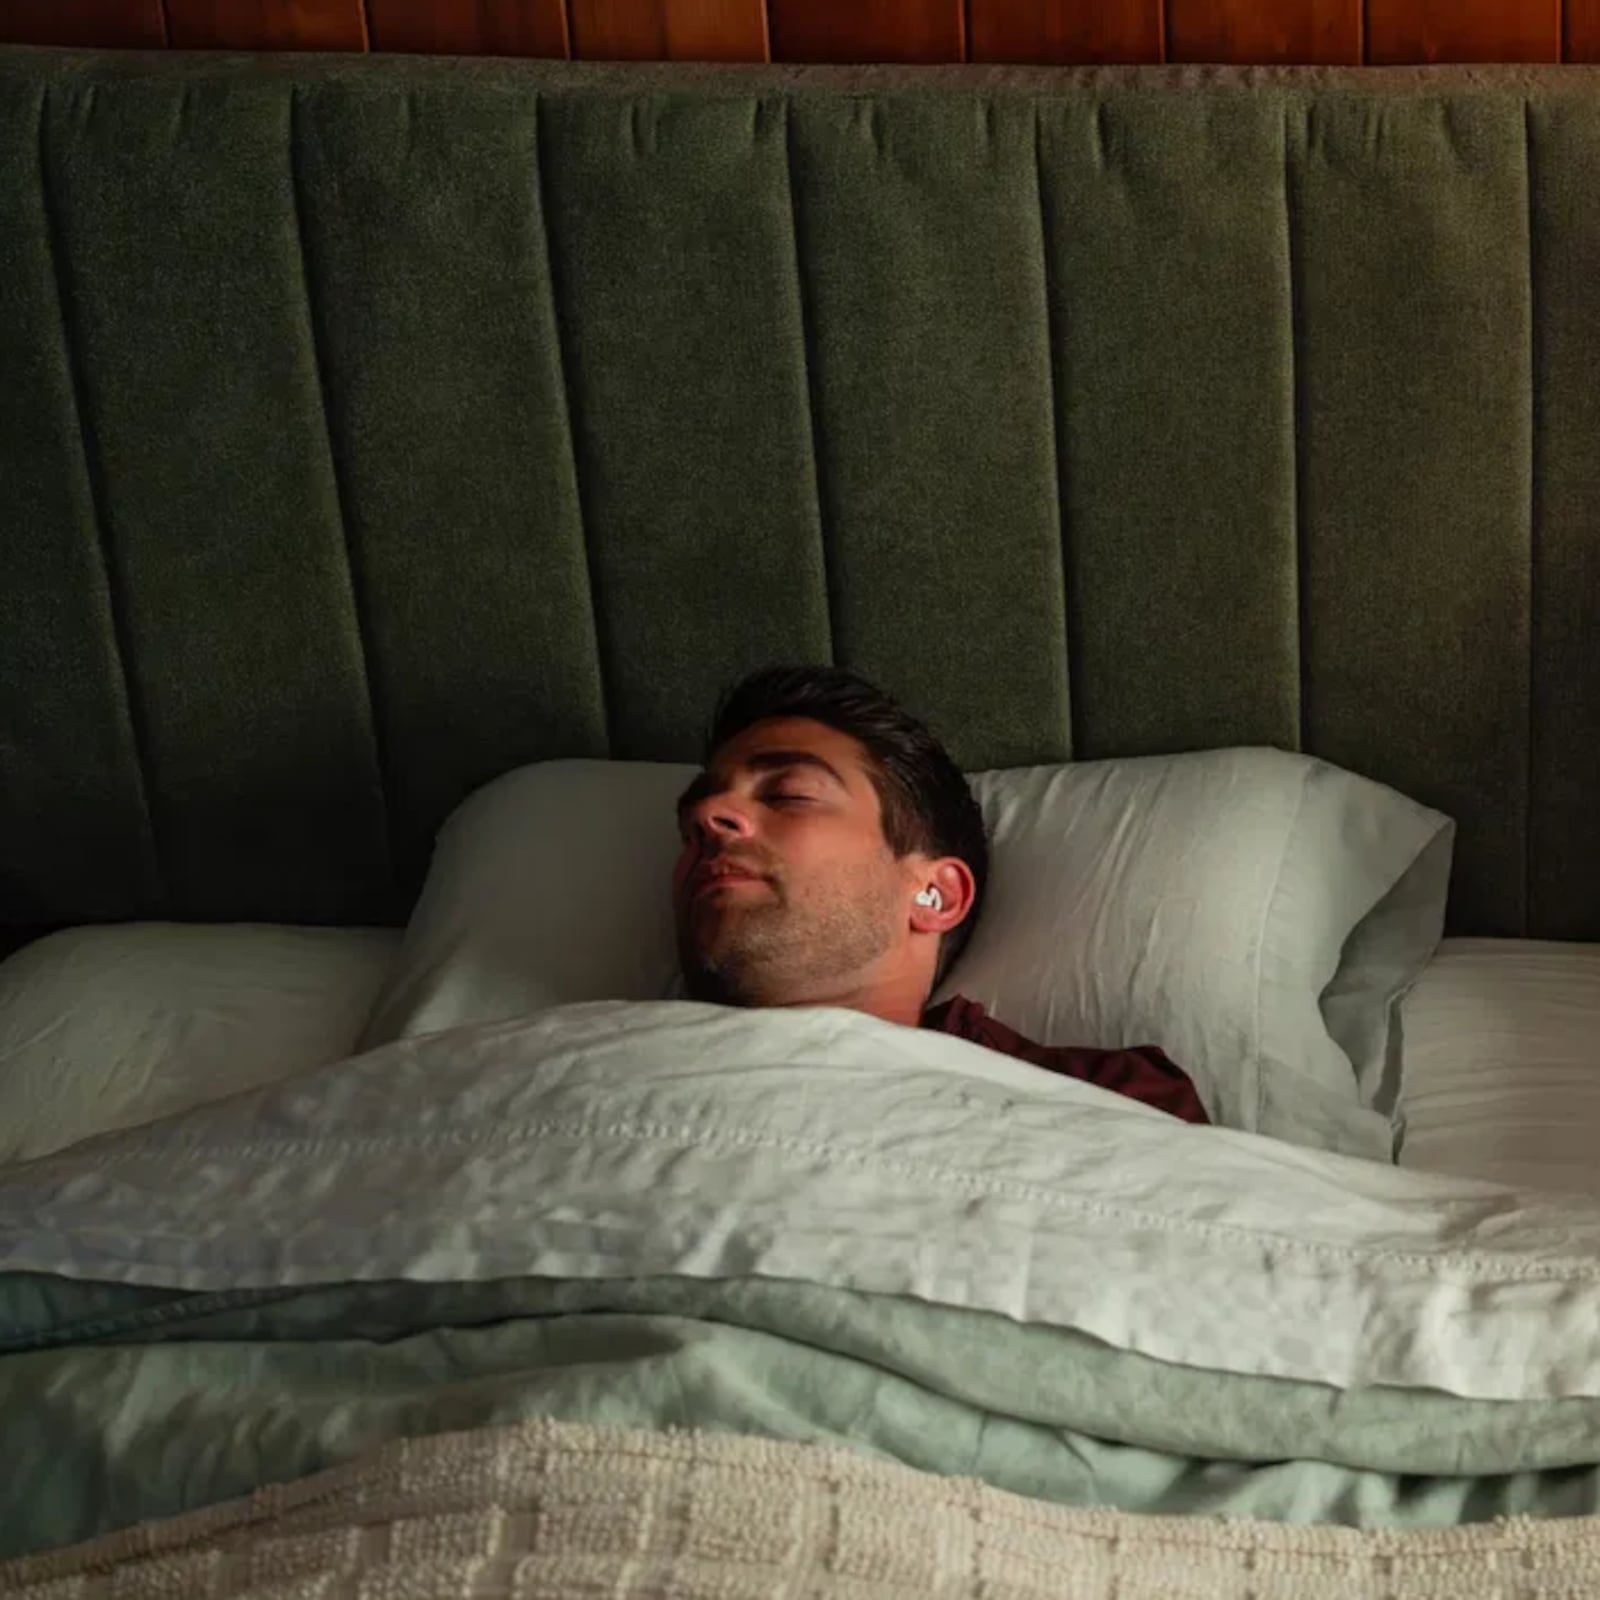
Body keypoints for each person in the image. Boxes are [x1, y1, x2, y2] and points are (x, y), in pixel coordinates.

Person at [672, 664, 1208, 1125]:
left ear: (936, 894)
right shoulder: (597, 1058)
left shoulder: (1112, 1108)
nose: (705, 817)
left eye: (789, 793)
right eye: (688, 824)